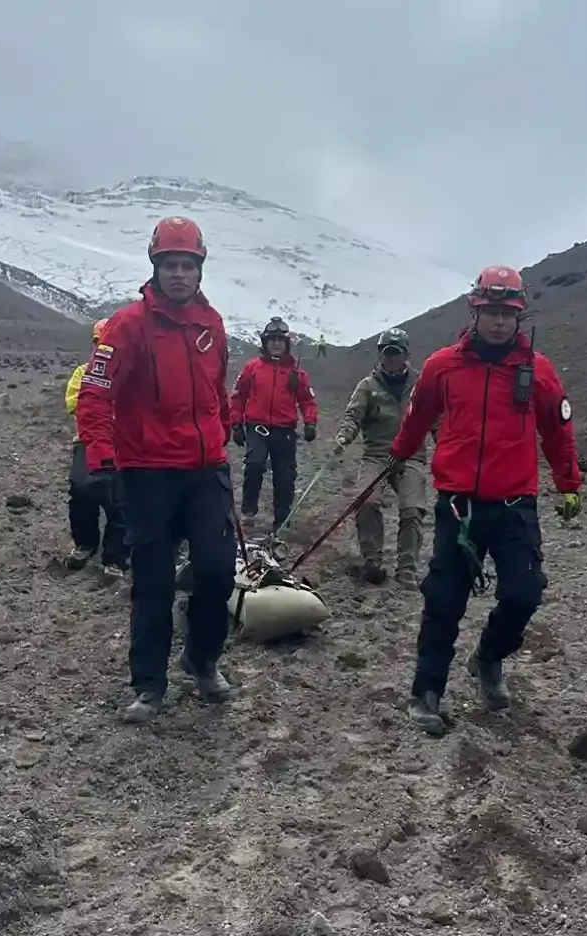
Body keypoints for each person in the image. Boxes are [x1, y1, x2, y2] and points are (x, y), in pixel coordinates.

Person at [388, 264, 584, 736]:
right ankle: (427, 692)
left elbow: (558, 431)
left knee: (524, 592)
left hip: (515, 503)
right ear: (474, 311)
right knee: (443, 599)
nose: (499, 321)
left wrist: (569, 484)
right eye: (490, 311)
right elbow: (417, 418)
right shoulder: (441, 366)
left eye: (507, 312)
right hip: (458, 503)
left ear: (519, 316)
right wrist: (399, 455)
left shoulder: (537, 371)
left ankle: (489, 658)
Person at [75, 216, 236, 723]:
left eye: (187, 264)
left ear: (200, 269)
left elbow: (217, 392)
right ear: (155, 267)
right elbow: (95, 394)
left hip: (205, 469)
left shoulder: (212, 324)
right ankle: (148, 684)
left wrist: (222, 435)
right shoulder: (127, 326)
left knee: (217, 569)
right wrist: (101, 456)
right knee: (153, 581)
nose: (179, 274)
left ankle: (202, 658)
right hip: (147, 473)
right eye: (170, 264)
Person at [334, 327, 427, 587]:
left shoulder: (422, 385)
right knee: (366, 501)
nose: (392, 358)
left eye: (397, 352)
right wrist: (344, 437)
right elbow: (353, 416)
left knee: (412, 509)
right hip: (376, 455)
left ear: (406, 354)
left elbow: (438, 419)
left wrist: (446, 444)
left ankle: (407, 568)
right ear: (380, 354)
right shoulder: (367, 386)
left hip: (411, 456)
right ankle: (372, 560)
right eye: (387, 352)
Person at [230, 316, 318, 532]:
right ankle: (248, 512)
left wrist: (310, 422)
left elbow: (307, 400)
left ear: (286, 343)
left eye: (280, 339)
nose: (276, 343)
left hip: (284, 430)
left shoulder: (297, 373)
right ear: (265, 342)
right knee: (254, 466)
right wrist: (236, 424)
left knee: (285, 475)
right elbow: (238, 396)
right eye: (272, 339)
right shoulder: (252, 367)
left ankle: (282, 519)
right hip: (257, 428)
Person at [64, 317, 128, 582]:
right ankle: (85, 543)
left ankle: (115, 557)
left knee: (121, 501)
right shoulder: (83, 372)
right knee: (81, 490)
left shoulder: (133, 374)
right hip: (88, 441)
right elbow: (74, 402)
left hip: (126, 443)